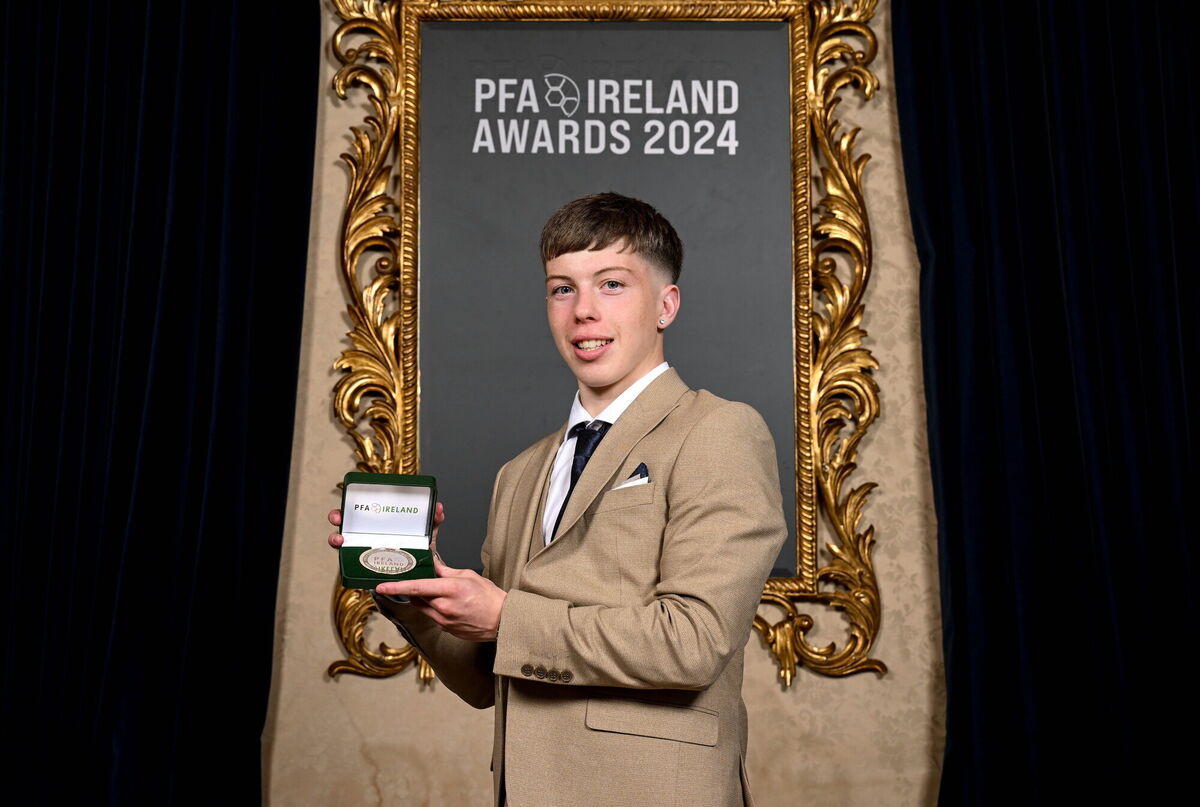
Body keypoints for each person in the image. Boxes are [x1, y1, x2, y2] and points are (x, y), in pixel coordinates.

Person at [328, 192, 787, 806]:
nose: (584, 312)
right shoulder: (518, 474)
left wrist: (505, 616)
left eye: (613, 284)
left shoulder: (719, 431)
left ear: (666, 305)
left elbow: (694, 641)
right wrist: (412, 588)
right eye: (562, 289)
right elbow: (486, 678)